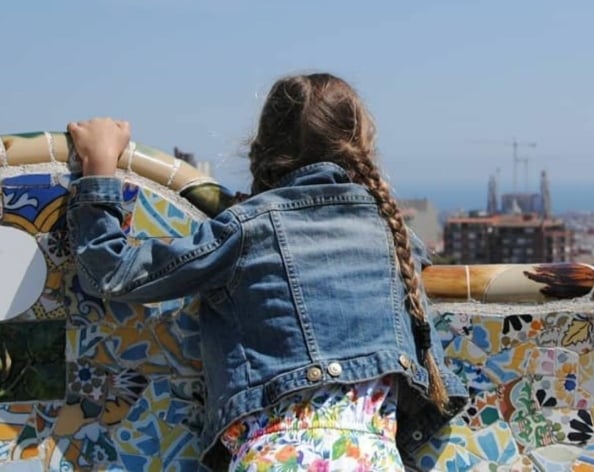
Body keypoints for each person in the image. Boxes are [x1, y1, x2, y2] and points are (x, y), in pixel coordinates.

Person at [66, 72, 468, 472]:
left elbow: (113, 272)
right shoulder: (393, 236)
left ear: (261, 147)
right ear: (362, 146)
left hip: (275, 458)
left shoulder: (247, 230)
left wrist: (99, 166)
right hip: (372, 459)